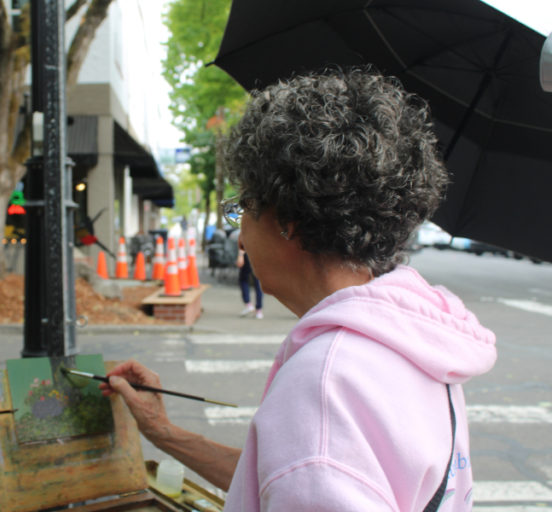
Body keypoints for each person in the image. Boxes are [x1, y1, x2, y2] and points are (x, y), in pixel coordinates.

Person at [100, 68, 496, 511]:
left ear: (288, 220)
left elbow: (312, 470)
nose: (242, 237)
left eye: (243, 208)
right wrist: (165, 433)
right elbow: (287, 478)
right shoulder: (412, 341)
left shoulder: (326, 387)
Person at [236, 246, 263, 319]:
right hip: (259, 254)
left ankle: (248, 304)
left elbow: (243, 241)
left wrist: (240, 255)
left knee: (243, 279)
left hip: (249, 254)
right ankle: (259, 310)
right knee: (258, 282)